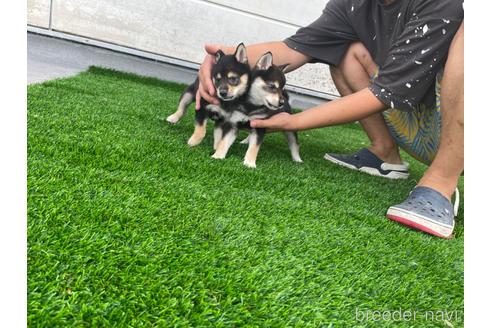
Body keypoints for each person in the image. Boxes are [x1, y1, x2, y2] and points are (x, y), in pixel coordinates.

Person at [195, 0, 464, 239]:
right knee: (344, 50)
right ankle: (384, 153)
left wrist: (294, 122)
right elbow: (294, 48)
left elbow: (384, 95)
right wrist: (224, 58)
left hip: (465, 139)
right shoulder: (352, 5)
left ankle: (439, 185)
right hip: (418, 128)